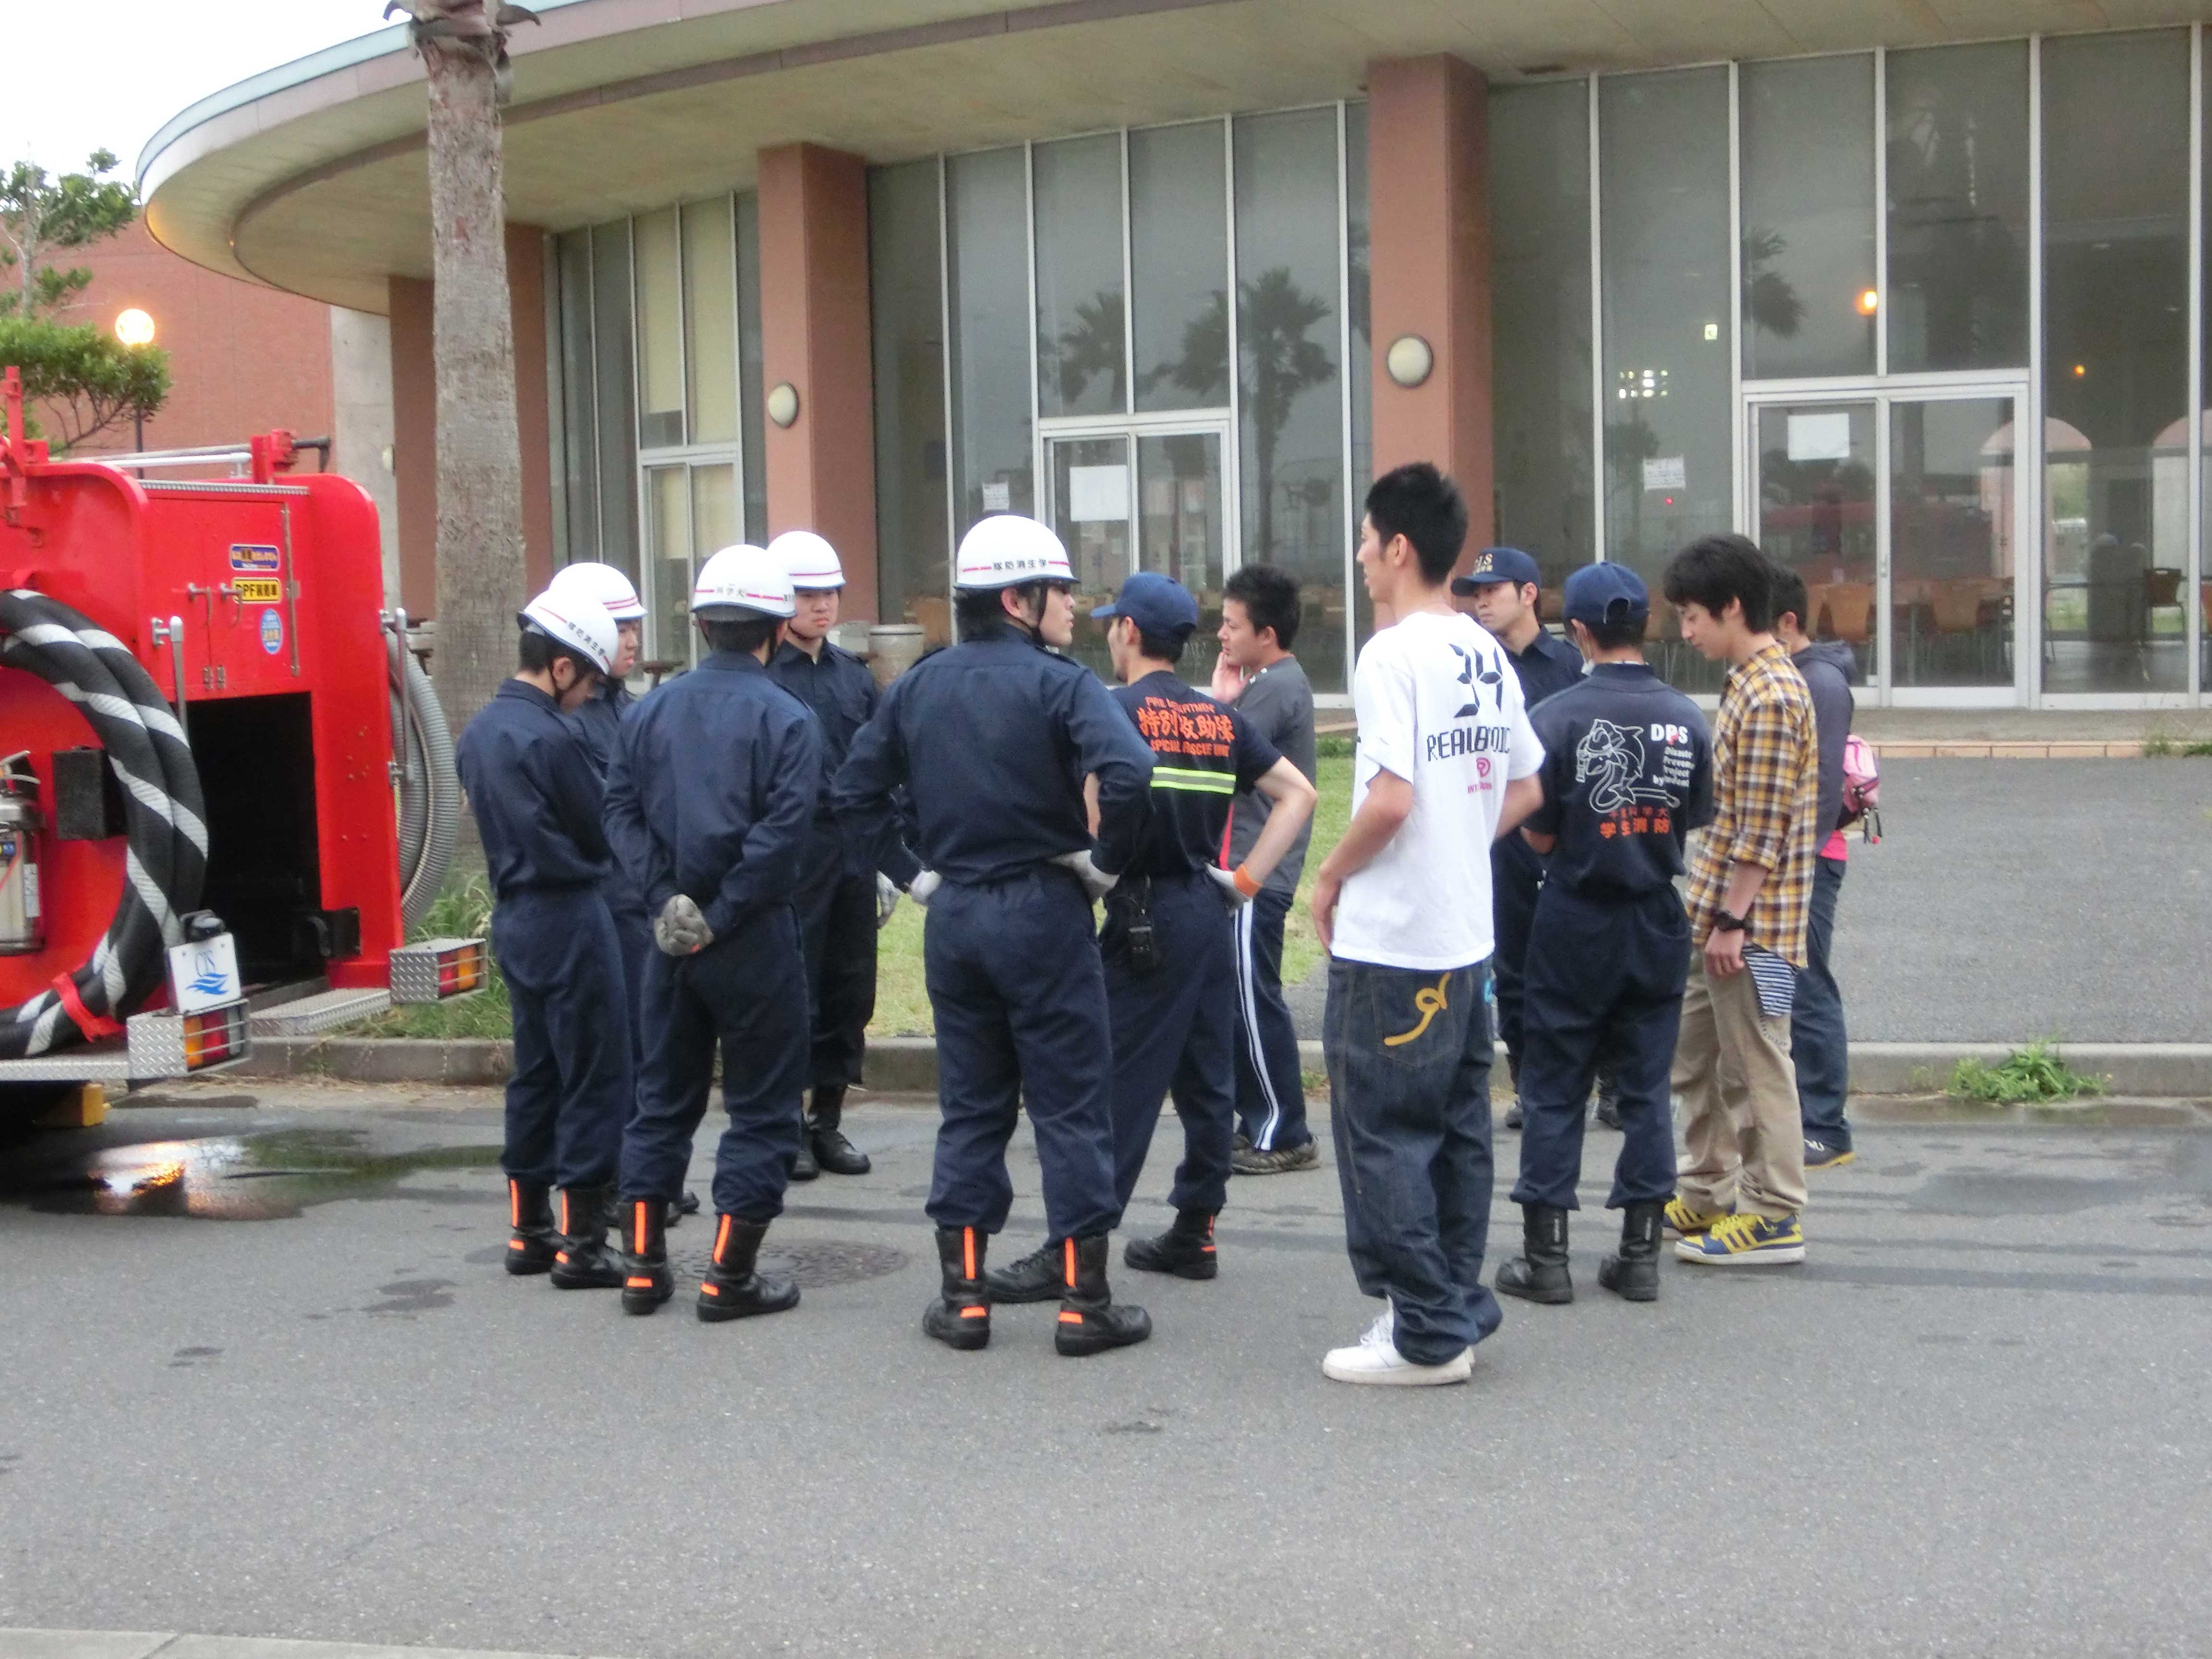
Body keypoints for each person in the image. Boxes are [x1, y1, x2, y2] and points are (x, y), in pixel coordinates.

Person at [833, 515, 1159, 1357]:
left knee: (972, 1109)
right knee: (1071, 1106)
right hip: (1043, 908)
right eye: (1060, 592)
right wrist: (1107, 864)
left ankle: (964, 1298)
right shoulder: (1063, 684)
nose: (1074, 606)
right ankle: (1084, 1304)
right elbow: (1129, 770)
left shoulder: (918, 685)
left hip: (957, 915)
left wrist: (913, 875)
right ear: (1018, 600)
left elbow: (853, 793)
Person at [1310, 464, 1544, 1386]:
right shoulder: (1483, 648)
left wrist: (1330, 874)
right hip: (1463, 938)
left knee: (1381, 1133)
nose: (1360, 557)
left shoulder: (1389, 655)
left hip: (1394, 943)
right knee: (1454, 1130)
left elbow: (1388, 800)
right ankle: (1450, 1305)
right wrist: (1456, 836)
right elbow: (1525, 787)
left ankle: (1423, 1332)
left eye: (1367, 540)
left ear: (1399, 547)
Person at [1068, 571, 1313, 1283]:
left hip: (1141, 915)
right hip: (1207, 909)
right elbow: (1299, 794)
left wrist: (1097, 861)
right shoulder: (1218, 719)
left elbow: (1093, 815)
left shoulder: (1111, 710)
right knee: (1209, 1078)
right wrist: (1244, 881)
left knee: (1117, 1084)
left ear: (1129, 632)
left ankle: (1078, 1250)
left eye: (1113, 624)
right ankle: (1196, 1231)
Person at [604, 544, 821, 1322]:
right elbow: (782, 838)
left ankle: (641, 1267)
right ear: (776, 629)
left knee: (660, 1100)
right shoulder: (790, 718)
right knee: (762, 1107)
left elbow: (619, 811)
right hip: (753, 937)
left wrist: (665, 901)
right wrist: (721, 914)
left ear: (700, 625)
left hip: (667, 938)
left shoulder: (647, 711)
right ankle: (728, 1276)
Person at [1492, 564, 1712, 1306]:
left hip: (1574, 915)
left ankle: (1546, 1259)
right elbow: (1692, 815)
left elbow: (1538, 832)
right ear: (1646, 625)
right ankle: (1640, 1254)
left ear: (1579, 631)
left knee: (1555, 1086)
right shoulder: (1686, 717)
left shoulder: (1554, 717)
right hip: (1656, 913)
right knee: (1646, 1088)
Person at [455, 590, 632, 1290]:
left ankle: (529, 1230)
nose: (588, 697)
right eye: (588, 682)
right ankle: (584, 1243)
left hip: (516, 916)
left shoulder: (479, 731)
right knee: (595, 1073)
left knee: (535, 1073)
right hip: (572, 913)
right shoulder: (555, 739)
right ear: (561, 668)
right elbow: (600, 828)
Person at [1661, 533, 1818, 1267]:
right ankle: (1707, 1191)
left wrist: (1732, 921)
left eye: (1692, 616)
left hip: (1752, 930)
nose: (1686, 632)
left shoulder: (1771, 694)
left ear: (1731, 607)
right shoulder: (1747, 683)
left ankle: (1774, 1212)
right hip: (1717, 918)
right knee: (1693, 1057)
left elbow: (1762, 829)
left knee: (1757, 1067)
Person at [542, 561, 700, 1230]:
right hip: (599, 903)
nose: (631, 639)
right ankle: (607, 1182)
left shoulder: (631, 709)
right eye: (617, 627)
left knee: (650, 1042)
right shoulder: (567, 724)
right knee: (607, 1052)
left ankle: (644, 1175)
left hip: (641, 900)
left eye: (634, 626)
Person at [766, 529, 919, 1182]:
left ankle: (826, 1120)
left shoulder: (855, 678)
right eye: (807, 594)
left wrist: (892, 856)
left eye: (830, 591)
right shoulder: (765, 677)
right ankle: (786, 1125)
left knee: (850, 988)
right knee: (793, 989)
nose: (822, 604)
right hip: (793, 851)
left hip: (853, 851)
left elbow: (886, 765)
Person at [1451, 545, 1608, 1133]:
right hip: (1501, 837)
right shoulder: (1472, 665)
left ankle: (1610, 1080)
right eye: (1476, 593)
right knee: (1512, 969)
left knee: (1584, 966)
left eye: (1493, 590)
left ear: (1529, 595)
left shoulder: (1568, 665)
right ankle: (1530, 1085)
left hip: (1568, 840)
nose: (1482, 602)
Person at [1208, 564, 1322, 1176]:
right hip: (1246, 867)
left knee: (1254, 1003)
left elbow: (1220, 758)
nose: (1222, 636)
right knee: (1238, 1001)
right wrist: (1227, 701)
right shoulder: (1268, 683)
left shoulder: (1277, 687)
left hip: (1255, 872)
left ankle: (1284, 1131)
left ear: (1267, 634)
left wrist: (1219, 706)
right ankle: (1258, 1121)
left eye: (1232, 626)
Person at [1768, 564, 1857, 1171]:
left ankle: (1827, 1126)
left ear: (1787, 622)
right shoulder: (1791, 675)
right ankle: (1802, 1117)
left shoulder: (1819, 681)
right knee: (1784, 986)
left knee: (1807, 987)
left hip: (1809, 859)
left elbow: (1821, 788)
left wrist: (1788, 861)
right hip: (1788, 857)